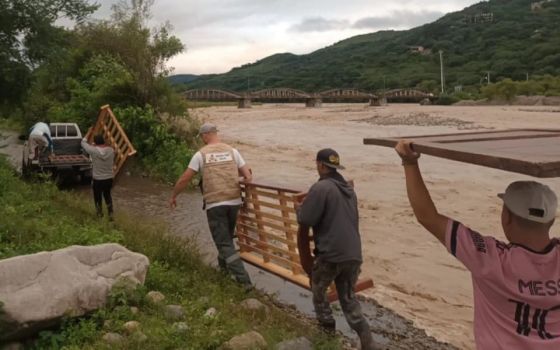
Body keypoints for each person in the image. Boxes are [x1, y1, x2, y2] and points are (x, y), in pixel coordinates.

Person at [395, 140, 560, 350]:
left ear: (506, 217)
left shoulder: (489, 258)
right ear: (552, 221)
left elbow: (427, 217)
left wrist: (409, 163)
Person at [295, 148, 376, 350]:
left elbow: (306, 219)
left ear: (321, 165)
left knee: (319, 291)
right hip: (353, 255)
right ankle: (368, 341)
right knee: (348, 299)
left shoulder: (321, 188)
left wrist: (299, 209)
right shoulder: (349, 190)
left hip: (330, 255)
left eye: (317, 164)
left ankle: (327, 334)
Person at [169, 123, 253, 289]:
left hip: (215, 205)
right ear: (216, 134)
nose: (202, 139)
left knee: (224, 243)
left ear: (206, 135)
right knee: (226, 238)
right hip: (235, 202)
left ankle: (245, 282)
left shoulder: (201, 155)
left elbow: (185, 178)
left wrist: (174, 196)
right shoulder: (233, 151)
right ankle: (223, 272)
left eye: (202, 136)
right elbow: (248, 176)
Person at [81, 134, 115, 219]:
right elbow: (108, 147)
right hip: (109, 178)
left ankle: (99, 215)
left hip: (98, 180)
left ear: (95, 142)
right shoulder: (111, 150)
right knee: (108, 196)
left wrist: (88, 133)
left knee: (97, 197)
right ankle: (111, 215)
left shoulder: (93, 150)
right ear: (104, 141)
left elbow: (83, 143)